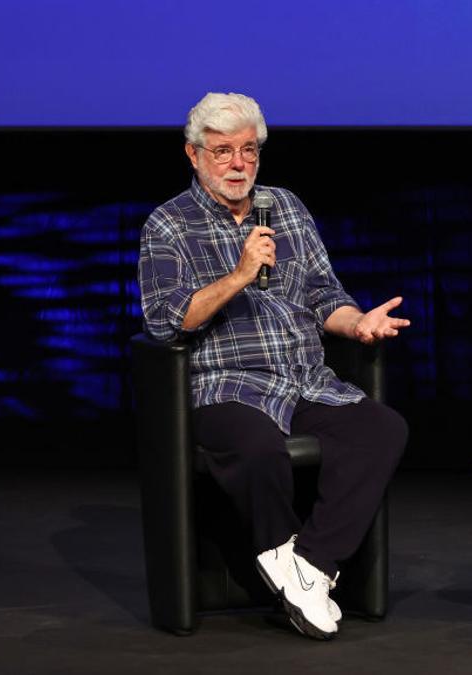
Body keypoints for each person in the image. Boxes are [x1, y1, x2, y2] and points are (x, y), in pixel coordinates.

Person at [138, 92, 410, 641]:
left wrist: (356, 323)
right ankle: (295, 566)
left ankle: (309, 564)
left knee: (382, 428)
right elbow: (167, 321)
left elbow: (322, 293)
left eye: (248, 151)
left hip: (303, 377)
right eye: (222, 153)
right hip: (225, 384)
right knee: (258, 447)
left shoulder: (285, 207)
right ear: (194, 156)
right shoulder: (168, 225)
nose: (238, 164)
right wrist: (240, 274)